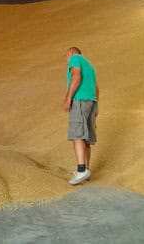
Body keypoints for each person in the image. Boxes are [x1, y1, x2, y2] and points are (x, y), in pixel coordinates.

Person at [62, 46, 99, 185]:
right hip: (91, 101)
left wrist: (68, 98)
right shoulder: (90, 66)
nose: (66, 61)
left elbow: (76, 75)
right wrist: (95, 105)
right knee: (86, 137)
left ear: (71, 53)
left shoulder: (75, 58)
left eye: (66, 57)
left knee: (77, 134)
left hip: (79, 100)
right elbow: (96, 87)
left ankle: (81, 170)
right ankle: (87, 170)